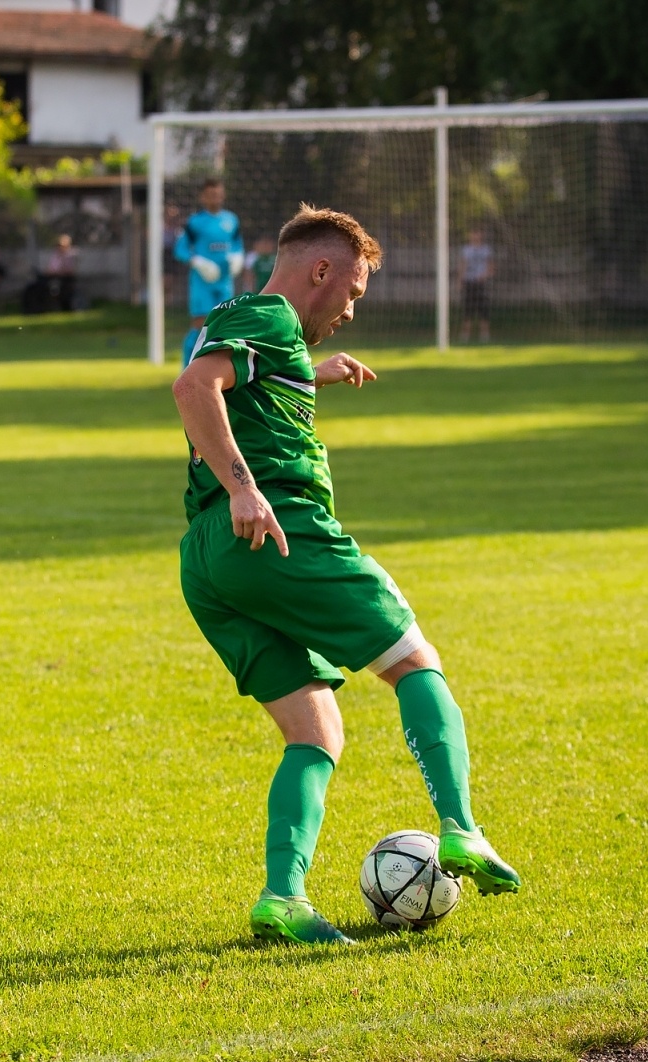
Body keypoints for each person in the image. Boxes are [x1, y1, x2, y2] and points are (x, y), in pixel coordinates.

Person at [171, 203, 520, 945]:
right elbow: (195, 389)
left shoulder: (252, 324)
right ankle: (460, 826)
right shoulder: (266, 317)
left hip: (209, 559)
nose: (353, 309)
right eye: (353, 292)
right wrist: (245, 485)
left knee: (316, 727)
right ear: (320, 271)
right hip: (277, 534)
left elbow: (237, 379)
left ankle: (282, 896)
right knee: (415, 660)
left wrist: (311, 373)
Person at [174, 178, 243, 364]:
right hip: (202, 282)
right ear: (203, 197)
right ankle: (187, 367)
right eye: (211, 195)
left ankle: (218, 370)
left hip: (224, 282)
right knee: (201, 324)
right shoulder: (195, 222)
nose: (215, 198)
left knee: (225, 326)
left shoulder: (231, 220)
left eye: (218, 194)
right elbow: (180, 249)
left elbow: (237, 246)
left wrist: (237, 258)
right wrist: (197, 261)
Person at [459, 229, 494, 343]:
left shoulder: (486, 249)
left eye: (477, 232)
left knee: (483, 309)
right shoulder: (466, 250)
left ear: (481, 234)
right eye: (473, 233)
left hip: (481, 283)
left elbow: (491, 267)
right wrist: (460, 280)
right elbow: (462, 265)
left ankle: (484, 335)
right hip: (469, 282)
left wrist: (485, 275)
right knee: (468, 309)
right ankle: (466, 335)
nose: (475, 235)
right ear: (469, 235)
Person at [44, 233, 78, 311]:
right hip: (53, 276)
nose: (60, 247)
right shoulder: (55, 255)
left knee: (57, 287)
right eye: (59, 245)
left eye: (62, 246)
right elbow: (51, 267)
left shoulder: (70, 256)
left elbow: (70, 270)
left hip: (65, 278)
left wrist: (58, 272)